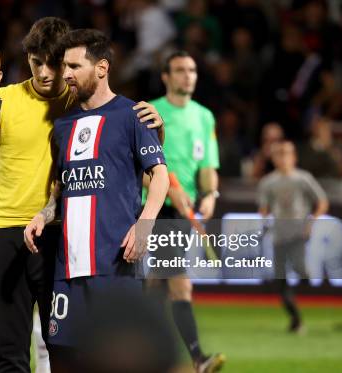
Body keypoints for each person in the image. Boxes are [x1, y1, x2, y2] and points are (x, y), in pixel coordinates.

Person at [0, 17, 164, 373]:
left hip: (58, 240)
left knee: (69, 348)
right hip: (5, 231)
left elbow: (145, 157)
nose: (48, 73)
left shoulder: (79, 102)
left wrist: (157, 125)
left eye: (58, 63)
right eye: (37, 63)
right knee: (8, 347)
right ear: (27, 60)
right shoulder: (7, 100)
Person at [23, 28, 169, 370]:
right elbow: (61, 187)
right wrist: (44, 215)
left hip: (115, 264)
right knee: (63, 360)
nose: (66, 75)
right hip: (67, 268)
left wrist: (145, 224)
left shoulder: (133, 115)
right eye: (64, 67)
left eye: (75, 66)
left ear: (101, 68)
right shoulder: (62, 126)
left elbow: (159, 175)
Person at [147, 50, 225, 373]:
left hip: (182, 213)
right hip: (152, 209)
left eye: (191, 70)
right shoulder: (150, 111)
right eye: (180, 70)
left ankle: (146, 353)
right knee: (176, 285)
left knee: (154, 286)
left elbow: (207, 165)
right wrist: (168, 187)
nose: (187, 76)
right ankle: (197, 359)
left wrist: (209, 194)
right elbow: (138, 162)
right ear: (166, 76)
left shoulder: (204, 116)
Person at [257, 141, 329, 333]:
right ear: (274, 158)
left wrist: (311, 222)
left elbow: (321, 201)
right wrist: (265, 219)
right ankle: (296, 318)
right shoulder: (268, 182)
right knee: (280, 280)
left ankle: (305, 278)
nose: (283, 158)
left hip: (298, 232)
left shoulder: (303, 179)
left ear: (294, 157)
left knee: (298, 267)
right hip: (279, 234)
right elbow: (264, 208)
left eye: (287, 154)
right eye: (279, 154)